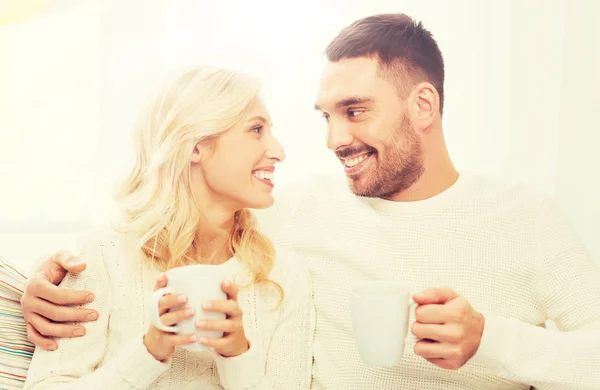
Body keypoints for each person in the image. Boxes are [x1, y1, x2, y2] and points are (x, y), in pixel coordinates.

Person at [22, 13, 600, 390]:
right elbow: (174, 225)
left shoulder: (527, 220)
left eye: (355, 111)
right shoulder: (288, 216)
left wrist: (490, 339)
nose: (333, 140)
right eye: (326, 117)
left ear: (423, 106)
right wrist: (42, 284)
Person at [22, 66, 315, 389]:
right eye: (256, 130)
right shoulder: (102, 257)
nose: (278, 151)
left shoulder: (284, 276)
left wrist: (237, 356)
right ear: (195, 146)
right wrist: (148, 353)